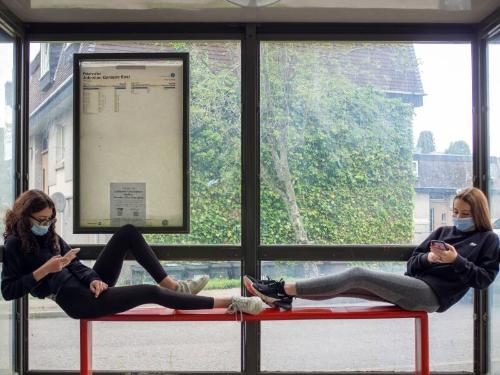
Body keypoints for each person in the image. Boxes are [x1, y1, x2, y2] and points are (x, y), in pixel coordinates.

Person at [1, 189, 264, 318]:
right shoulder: (13, 245)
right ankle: (232, 302)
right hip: (75, 300)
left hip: (87, 287)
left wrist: (94, 278)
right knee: (149, 293)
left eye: (49, 220)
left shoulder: (50, 235)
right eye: (40, 220)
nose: (45, 224)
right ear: (25, 217)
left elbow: (77, 266)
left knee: (127, 232)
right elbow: (8, 290)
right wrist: (45, 270)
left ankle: (175, 286)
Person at [245, 187, 500, 313]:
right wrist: (430, 258)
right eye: (455, 212)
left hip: (433, 296)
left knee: (357, 273)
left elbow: (483, 280)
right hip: (415, 284)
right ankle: (286, 298)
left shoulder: (488, 239)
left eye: (465, 214)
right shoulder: (443, 232)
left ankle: (283, 288)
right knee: (351, 286)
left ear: (478, 213)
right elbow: (411, 266)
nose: (458, 217)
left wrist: (455, 260)